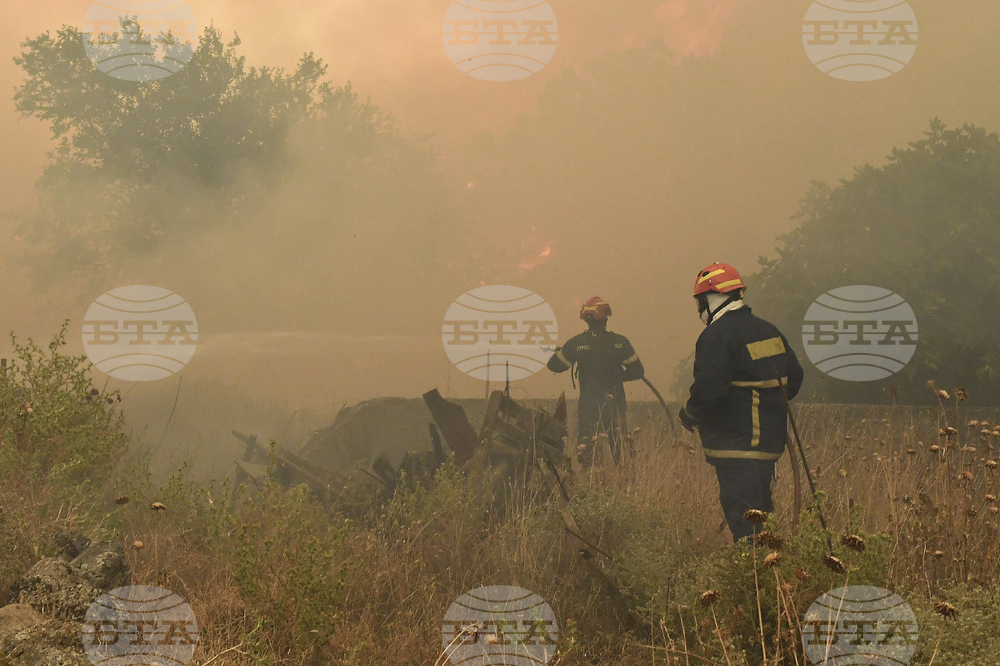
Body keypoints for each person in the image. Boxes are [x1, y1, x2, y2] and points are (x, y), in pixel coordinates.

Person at [678, 263, 804, 542]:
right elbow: (793, 377)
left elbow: (709, 386)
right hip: (768, 446)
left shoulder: (717, 335)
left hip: (736, 447)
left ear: (711, 299)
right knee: (762, 521)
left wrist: (689, 415)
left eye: (700, 301)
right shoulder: (768, 330)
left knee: (746, 526)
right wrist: (767, 403)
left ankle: (752, 577)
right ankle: (769, 577)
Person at [547, 297, 645, 466]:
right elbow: (638, 371)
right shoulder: (620, 342)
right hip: (616, 403)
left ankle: (591, 483)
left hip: (589, 405)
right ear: (606, 317)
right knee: (620, 447)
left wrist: (559, 352)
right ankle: (628, 482)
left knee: (587, 449)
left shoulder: (577, 344)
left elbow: (554, 366)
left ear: (586, 318)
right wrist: (618, 376)